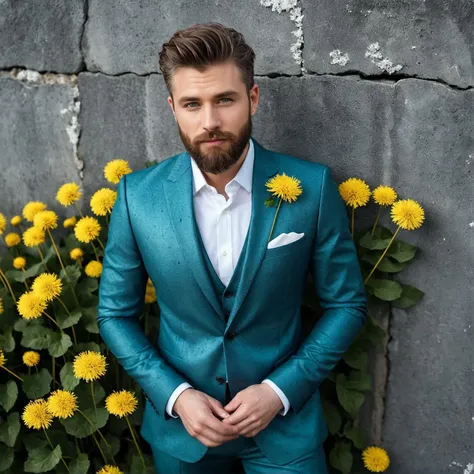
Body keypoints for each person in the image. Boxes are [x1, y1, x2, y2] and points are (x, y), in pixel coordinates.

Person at [97, 22, 368, 474]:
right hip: (184, 434)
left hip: (286, 431)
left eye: (225, 99)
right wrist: (177, 397)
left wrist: (279, 391)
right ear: (173, 108)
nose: (210, 122)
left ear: (253, 98)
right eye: (192, 104)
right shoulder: (135, 197)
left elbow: (346, 304)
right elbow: (114, 315)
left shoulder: (313, 188)